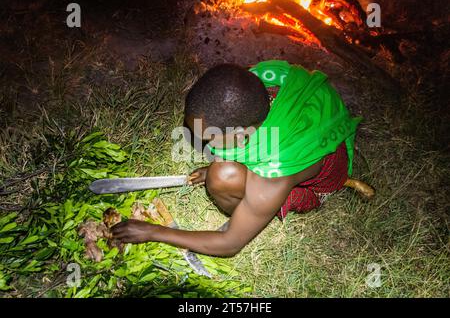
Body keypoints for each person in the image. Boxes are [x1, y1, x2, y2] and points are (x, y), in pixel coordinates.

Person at [111, 60, 369, 257]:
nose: (206, 144)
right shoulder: (260, 80)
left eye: (210, 139)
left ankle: (269, 207)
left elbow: (230, 244)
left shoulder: (275, 173)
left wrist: (154, 232)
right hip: (309, 139)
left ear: (244, 134)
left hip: (315, 182)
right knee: (220, 169)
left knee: (222, 177)